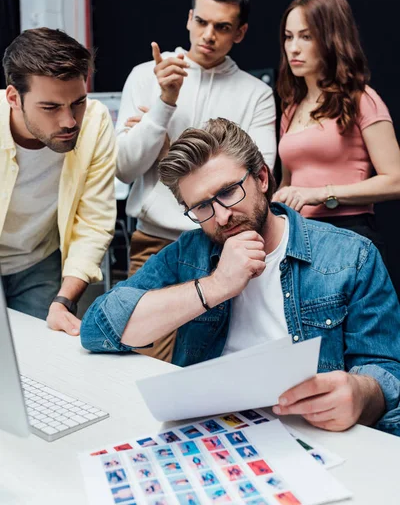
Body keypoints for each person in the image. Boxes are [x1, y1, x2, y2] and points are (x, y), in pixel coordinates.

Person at [81, 118, 400, 436]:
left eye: (228, 192)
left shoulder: (351, 256)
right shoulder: (189, 252)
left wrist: (361, 393)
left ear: (262, 177)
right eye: (202, 207)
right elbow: (98, 328)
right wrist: (215, 286)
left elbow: (386, 371)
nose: (221, 216)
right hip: (208, 429)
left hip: (309, 430)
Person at [116, 0, 276, 362]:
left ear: (240, 32)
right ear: (189, 18)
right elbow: (124, 168)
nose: (208, 35)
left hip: (226, 247)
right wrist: (164, 103)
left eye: (222, 27)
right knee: (140, 363)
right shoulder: (145, 77)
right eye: (201, 22)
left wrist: (168, 152)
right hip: (156, 244)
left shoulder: (256, 93)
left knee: (216, 364)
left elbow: (262, 174)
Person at [0, 28, 116, 334]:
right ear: (14, 98)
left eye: (77, 102)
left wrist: (64, 300)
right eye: (50, 107)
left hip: (40, 261)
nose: (69, 121)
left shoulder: (95, 121)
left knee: (41, 363)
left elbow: (93, 221)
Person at [273, 0, 400, 255]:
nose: (293, 48)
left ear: (330, 38)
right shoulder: (290, 108)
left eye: (306, 37)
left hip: (348, 234)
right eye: (288, 37)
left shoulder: (361, 98)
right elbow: (288, 183)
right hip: (297, 237)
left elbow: (396, 180)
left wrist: (322, 193)